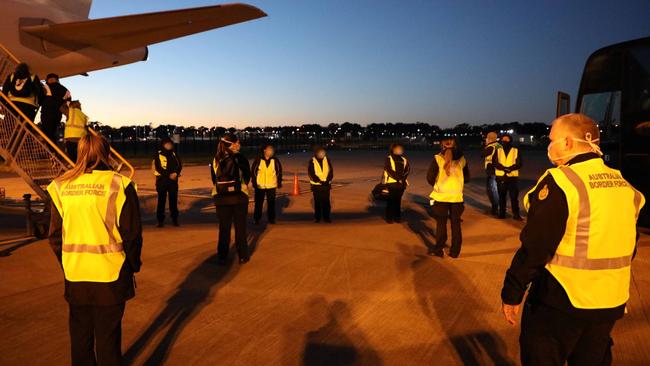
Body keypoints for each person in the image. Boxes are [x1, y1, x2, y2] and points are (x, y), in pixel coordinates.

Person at [500, 114, 645, 366]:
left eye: (553, 139)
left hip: (561, 300)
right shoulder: (624, 185)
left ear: (567, 143)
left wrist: (513, 291)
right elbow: (629, 242)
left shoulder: (562, 181)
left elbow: (536, 246)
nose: (550, 145)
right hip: (610, 300)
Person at [47, 133, 143, 366]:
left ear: (79, 153)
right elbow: (132, 235)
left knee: (80, 338)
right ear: (107, 153)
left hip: (76, 274)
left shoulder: (61, 186)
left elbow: (55, 236)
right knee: (108, 339)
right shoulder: (119, 184)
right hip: (110, 274)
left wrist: (69, 263)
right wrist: (133, 265)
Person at [210, 134, 251, 264]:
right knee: (240, 228)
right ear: (232, 144)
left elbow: (214, 179)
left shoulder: (216, 159)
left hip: (221, 197)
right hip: (239, 197)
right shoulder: (240, 157)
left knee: (224, 228)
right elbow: (247, 178)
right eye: (237, 142)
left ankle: (222, 256)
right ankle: (243, 255)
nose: (239, 144)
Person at [427, 136, 469, 258]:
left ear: (442, 145)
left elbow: (430, 178)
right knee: (456, 224)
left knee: (441, 223)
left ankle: (439, 249)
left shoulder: (437, 159)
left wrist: (438, 184)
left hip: (441, 197)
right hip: (456, 197)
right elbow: (467, 178)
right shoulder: (462, 160)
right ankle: (455, 251)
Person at [153, 137, 182, 227]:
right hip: (162, 181)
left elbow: (179, 165)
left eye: (170, 144)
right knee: (161, 201)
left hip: (173, 182)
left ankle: (175, 219)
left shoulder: (174, 154)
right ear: (163, 145)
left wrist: (176, 173)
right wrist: (169, 175)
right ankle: (160, 220)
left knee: (173, 201)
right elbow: (158, 167)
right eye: (167, 144)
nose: (169, 145)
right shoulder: (158, 154)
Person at [251, 144, 283, 225]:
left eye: (272, 150)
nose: (271, 151)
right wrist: (254, 183)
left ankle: (271, 219)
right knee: (258, 203)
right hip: (260, 186)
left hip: (271, 186)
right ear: (264, 150)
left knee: (271, 203)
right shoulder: (258, 160)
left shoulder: (275, 160)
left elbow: (279, 172)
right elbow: (253, 171)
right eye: (269, 149)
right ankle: (257, 218)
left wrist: (279, 182)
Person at [494, 133, 522, 220]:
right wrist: (504, 168)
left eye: (507, 139)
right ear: (501, 141)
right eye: (503, 139)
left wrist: (510, 168)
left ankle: (516, 214)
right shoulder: (498, 150)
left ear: (510, 140)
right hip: (501, 177)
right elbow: (495, 162)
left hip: (512, 177)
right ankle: (502, 214)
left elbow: (519, 163)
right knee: (502, 197)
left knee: (514, 197)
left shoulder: (516, 150)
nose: (505, 141)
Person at [40, 73, 71, 145]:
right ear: (57, 80)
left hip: (46, 114)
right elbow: (68, 103)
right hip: (57, 115)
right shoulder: (65, 90)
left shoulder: (46, 87)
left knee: (47, 134)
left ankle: (52, 151)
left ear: (48, 79)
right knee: (53, 133)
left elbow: (40, 99)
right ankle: (54, 150)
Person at [382, 143, 410, 223]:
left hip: (401, 184)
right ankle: (389, 218)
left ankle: (397, 217)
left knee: (398, 201)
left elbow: (407, 170)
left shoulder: (404, 159)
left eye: (400, 149)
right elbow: (389, 170)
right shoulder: (389, 158)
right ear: (393, 150)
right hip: (392, 184)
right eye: (398, 149)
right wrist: (398, 179)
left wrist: (402, 179)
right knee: (391, 201)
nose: (400, 150)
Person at [308, 146, 333, 223]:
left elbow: (331, 171)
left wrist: (327, 180)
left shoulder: (327, 160)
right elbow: (311, 173)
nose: (322, 154)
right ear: (317, 153)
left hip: (326, 185)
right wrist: (319, 181)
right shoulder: (312, 161)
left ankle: (326, 217)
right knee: (318, 202)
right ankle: (318, 218)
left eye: (323, 153)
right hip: (317, 186)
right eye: (321, 153)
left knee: (326, 202)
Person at [481, 131, 501, 216]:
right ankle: (498, 208)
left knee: (492, 191)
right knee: (496, 191)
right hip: (498, 171)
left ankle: (495, 210)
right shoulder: (499, 145)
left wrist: (485, 145)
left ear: (489, 139)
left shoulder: (491, 146)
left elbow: (482, 154)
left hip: (492, 171)